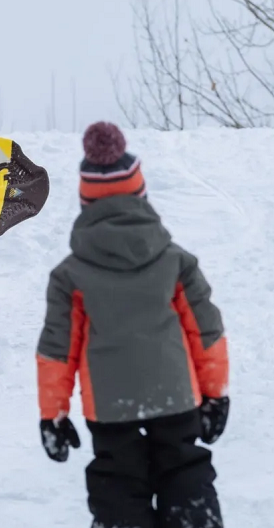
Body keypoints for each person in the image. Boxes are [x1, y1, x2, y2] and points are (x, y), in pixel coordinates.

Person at [35, 121, 230, 528]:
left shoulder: (69, 276)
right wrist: (215, 394)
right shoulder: (176, 261)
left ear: (86, 203)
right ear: (141, 196)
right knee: (184, 471)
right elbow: (205, 330)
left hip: (110, 406)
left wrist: (53, 414)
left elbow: (58, 348)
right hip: (175, 396)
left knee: (117, 483)